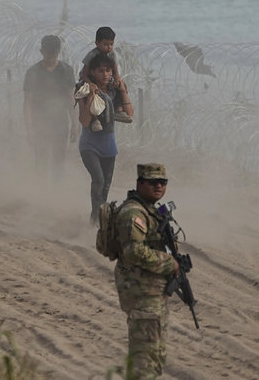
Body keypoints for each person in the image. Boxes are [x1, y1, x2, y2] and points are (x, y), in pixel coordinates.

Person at [113, 163, 179, 379]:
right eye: (153, 182)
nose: (159, 186)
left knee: (155, 356)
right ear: (140, 184)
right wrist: (169, 263)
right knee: (144, 360)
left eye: (163, 182)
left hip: (151, 293)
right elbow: (133, 251)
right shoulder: (134, 213)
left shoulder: (150, 211)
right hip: (142, 293)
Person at [77, 53, 133, 225]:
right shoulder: (84, 90)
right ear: (92, 72)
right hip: (89, 146)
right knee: (98, 180)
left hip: (109, 147)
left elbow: (130, 115)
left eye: (108, 70)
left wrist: (123, 88)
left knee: (106, 187)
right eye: (101, 71)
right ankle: (95, 218)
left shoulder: (115, 91)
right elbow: (85, 121)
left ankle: (97, 219)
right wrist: (92, 97)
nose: (105, 74)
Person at [23, 35, 78, 180]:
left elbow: (70, 99)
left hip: (60, 122)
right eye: (47, 54)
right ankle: (41, 193)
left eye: (53, 54)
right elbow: (28, 102)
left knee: (59, 161)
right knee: (41, 159)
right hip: (39, 122)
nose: (50, 58)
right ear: (41, 51)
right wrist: (29, 129)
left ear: (58, 51)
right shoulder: (33, 72)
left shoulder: (66, 70)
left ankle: (56, 193)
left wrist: (74, 124)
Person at [80, 26, 132, 123]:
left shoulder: (112, 54)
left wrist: (117, 80)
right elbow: (84, 74)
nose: (109, 47)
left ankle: (119, 110)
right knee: (86, 91)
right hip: (89, 77)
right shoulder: (92, 55)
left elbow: (115, 72)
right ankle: (94, 118)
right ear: (97, 43)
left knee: (122, 85)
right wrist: (91, 83)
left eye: (111, 44)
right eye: (105, 44)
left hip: (106, 76)